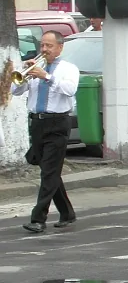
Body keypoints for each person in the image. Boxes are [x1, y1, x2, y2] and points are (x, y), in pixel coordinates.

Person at [13, 31, 79, 233]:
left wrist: (47, 77)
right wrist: (24, 76)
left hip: (58, 123)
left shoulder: (68, 69)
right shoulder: (35, 67)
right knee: (50, 171)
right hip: (37, 123)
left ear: (59, 48)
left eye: (49, 46)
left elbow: (70, 89)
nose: (44, 50)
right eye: (42, 45)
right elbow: (15, 91)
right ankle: (67, 213)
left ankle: (38, 218)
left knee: (49, 172)